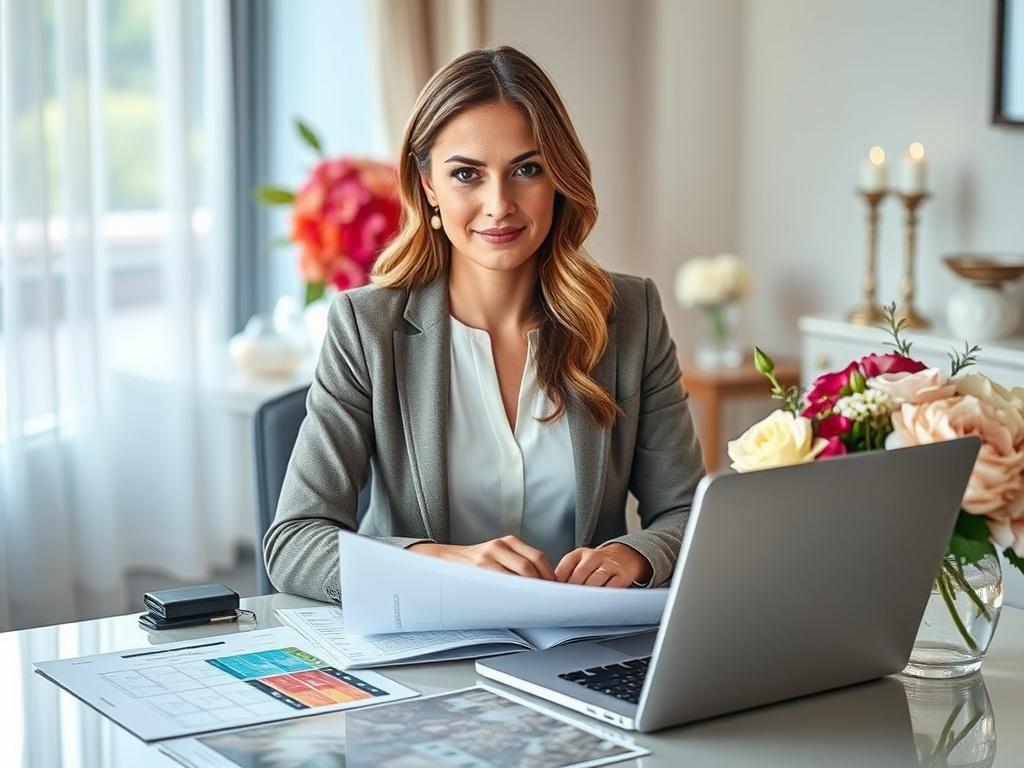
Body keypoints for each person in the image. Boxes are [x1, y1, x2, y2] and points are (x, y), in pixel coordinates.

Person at [264, 46, 705, 604]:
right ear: (428, 186)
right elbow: (295, 542)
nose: (499, 205)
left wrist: (635, 555)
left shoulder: (631, 314)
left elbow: (688, 510)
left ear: (559, 178)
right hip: (420, 652)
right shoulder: (366, 327)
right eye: (467, 175)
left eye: (527, 169)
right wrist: (442, 562)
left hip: (579, 651)